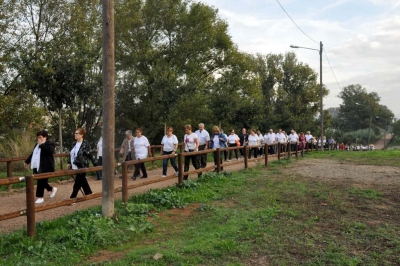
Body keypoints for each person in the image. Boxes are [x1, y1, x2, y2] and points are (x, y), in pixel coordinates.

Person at [24, 130, 57, 204]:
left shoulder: (50, 143)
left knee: (41, 181)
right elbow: (33, 154)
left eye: (40, 137)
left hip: (46, 166)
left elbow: (50, 151)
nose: (39, 139)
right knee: (41, 181)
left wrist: (42, 145)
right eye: (38, 137)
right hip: (37, 166)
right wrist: (27, 161)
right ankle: (51, 189)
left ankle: (40, 197)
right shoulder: (36, 145)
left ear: (45, 137)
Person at [67, 128, 94, 198]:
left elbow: (90, 155)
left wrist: (96, 165)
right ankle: (88, 192)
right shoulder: (74, 144)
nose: (74, 135)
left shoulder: (86, 144)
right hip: (75, 166)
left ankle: (72, 197)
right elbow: (71, 154)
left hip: (83, 166)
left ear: (81, 135)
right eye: (75, 133)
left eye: (76, 133)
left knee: (77, 183)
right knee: (82, 180)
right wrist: (69, 162)